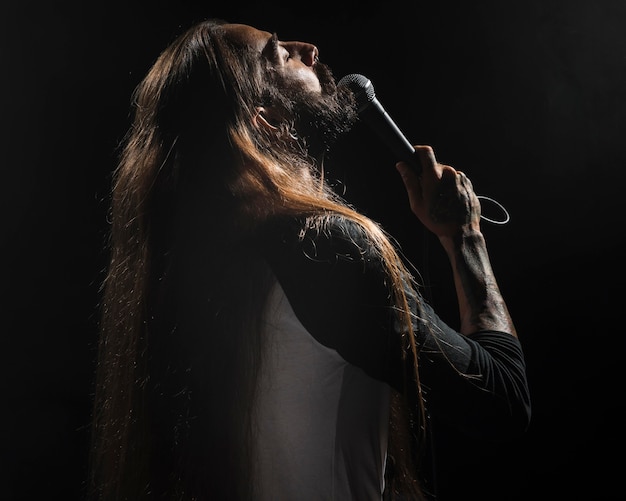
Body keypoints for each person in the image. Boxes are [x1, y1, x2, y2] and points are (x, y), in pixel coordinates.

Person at [89, 18, 531, 501]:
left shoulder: (208, 263)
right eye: (279, 53)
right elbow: (502, 400)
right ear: (265, 118)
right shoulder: (324, 246)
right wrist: (465, 238)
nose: (310, 49)